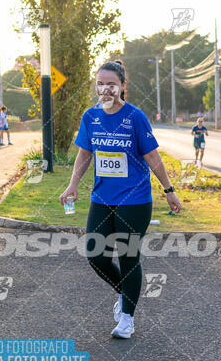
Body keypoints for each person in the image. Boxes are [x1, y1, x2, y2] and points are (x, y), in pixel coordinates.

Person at [59, 60, 182, 339]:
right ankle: (126, 293)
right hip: (101, 198)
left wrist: (169, 189)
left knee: (128, 257)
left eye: (111, 84)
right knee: (95, 255)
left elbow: (152, 157)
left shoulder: (135, 117)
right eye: (100, 84)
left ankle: (127, 317)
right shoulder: (91, 117)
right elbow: (84, 154)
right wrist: (73, 185)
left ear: (123, 86)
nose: (105, 89)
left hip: (135, 200)